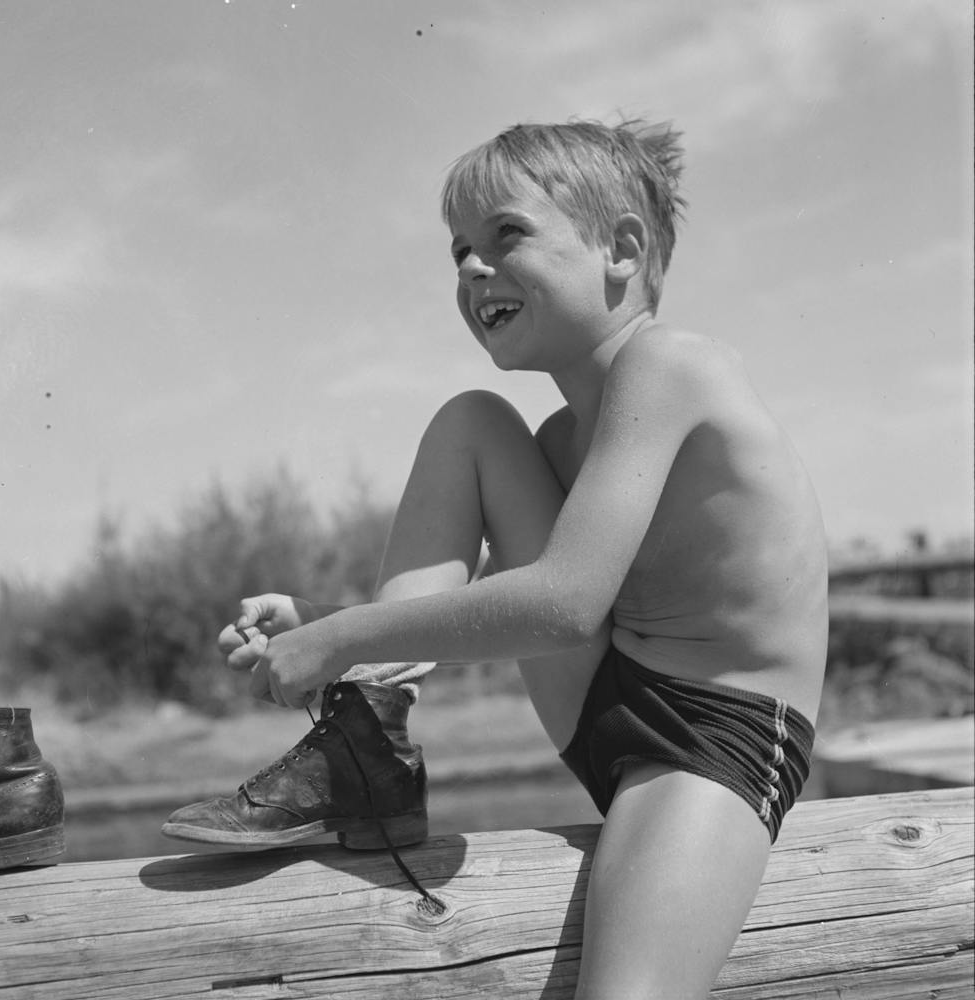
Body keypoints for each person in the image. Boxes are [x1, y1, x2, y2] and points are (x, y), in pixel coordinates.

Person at [164, 117, 829, 998]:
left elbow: (561, 604)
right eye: (460, 252)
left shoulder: (675, 366)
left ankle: (362, 703)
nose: (474, 268)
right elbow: (511, 601)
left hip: (712, 739)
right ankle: (367, 736)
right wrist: (331, 630)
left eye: (506, 235)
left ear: (621, 251)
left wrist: (342, 638)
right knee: (470, 422)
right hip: (606, 698)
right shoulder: (556, 440)